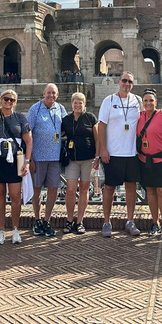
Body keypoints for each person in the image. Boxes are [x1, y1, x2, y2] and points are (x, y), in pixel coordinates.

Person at [97, 72, 143, 237]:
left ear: (133, 84)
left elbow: (150, 115)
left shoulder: (138, 101)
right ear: (118, 82)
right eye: (124, 80)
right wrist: (103, 149)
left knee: (131, 187)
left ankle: (130, 221)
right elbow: (101, 126)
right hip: (113, 152)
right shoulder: (108, 101)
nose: (126, 84)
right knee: (109, 188)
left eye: (130, 81)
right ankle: (106, 222)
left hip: (132, 153)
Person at [0, 89, 32, 245]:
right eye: (6, 99)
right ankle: (1, 230)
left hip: (16, 159)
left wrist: (27, 161)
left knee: (15, 196)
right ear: (1, 100)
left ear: (15, 102)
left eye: (12, 100)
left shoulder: (20, 118)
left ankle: (16, 229)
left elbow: (29, 140)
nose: (8, 102)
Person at [27, 84, 67, 238]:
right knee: (36, 190)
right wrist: (29, 159)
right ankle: (37, 219)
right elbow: (27, 133)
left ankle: (46, 220)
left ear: (57, 95)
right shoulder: (34, 109)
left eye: (54, 93)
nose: (51, 95)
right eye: (48, 93)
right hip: (38, 157)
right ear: (43, 93)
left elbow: (66, 126)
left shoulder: (60, 108)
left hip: (55, 158)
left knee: (53, 190)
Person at [137, 88, 162, 240]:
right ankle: (155, 222)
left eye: (151, 100)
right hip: (144, 160)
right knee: (150, 191)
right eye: (145, 100)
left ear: (156, 102)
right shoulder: (139, 117)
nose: (148, 103)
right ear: (142, 103)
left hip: (161, 160)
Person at [60, 92, 99, 234]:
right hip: (72, 159)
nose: (78, 105)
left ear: (84, 104)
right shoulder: (66, 120)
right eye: (75, 102)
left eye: (80, 103)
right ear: (72, 104)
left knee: (84, 189)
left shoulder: (90, 118)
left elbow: (97, 138)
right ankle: (69, 220)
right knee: (70, 189)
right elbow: (59, 133)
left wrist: (97, 156)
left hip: (88, 159)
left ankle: (80, 221)